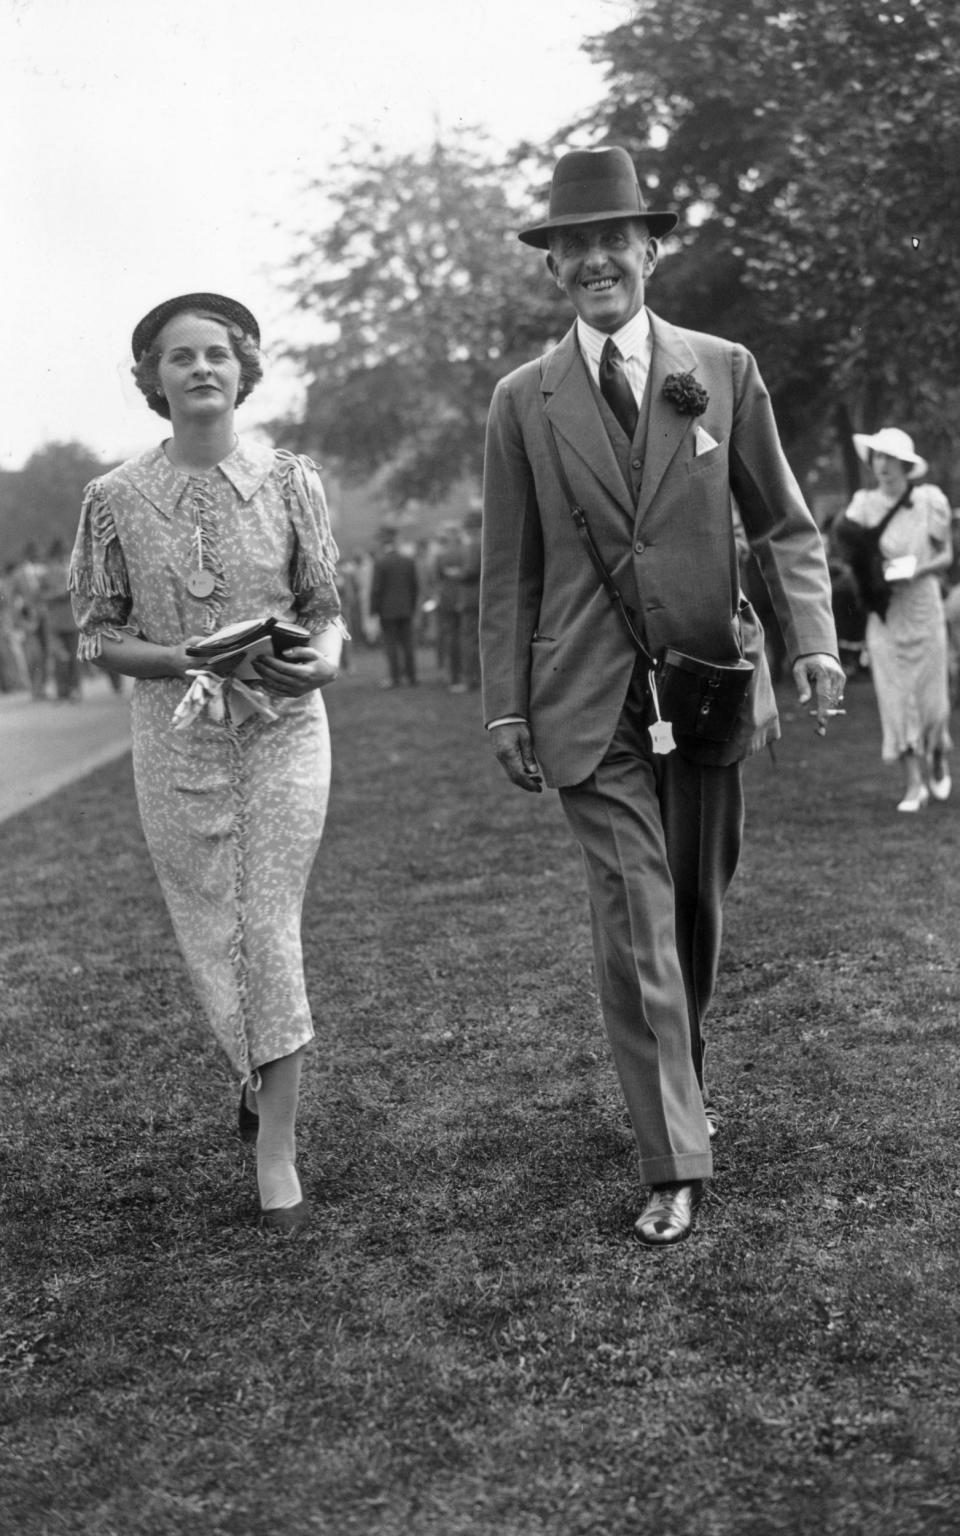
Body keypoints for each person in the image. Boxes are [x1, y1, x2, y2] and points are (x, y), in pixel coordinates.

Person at [480, 147, 844, 1247]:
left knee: (694, 912)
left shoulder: (721, 370)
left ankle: (677, 1083)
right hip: (584, 700)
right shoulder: (522, 402)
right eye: (571, 246)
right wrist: (507, 706)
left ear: (650, 248)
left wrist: (813, 643)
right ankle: (675, 1157)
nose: (594, 260)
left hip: (709, 689)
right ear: (553, 268)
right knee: (638, 923)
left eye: (612, 240)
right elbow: (512, 568)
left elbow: (782, 520)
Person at [69, 291, 345, 1235]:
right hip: (176, 737)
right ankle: (253, 1073)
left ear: (244, 369)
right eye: (177, 356)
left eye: (217, 354)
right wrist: (186, 656)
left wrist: (327, 659)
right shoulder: (113, 499)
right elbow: (98, 636)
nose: (199, 369)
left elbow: (325, 605)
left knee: (266, 926)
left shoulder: (289, 479)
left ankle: (277, 1152)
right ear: (151, 377)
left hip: (283, 730)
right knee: (209, 929)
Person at [836, 427, 952, 811]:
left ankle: (937, 752)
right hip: (885, 614)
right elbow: (847, 548)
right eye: (877, 457)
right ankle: (913, 783)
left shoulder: (928, 500)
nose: (882, 465)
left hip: (922, 607)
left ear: (905, 464)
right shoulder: (863, 504)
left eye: (889, 458)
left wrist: (916, 570)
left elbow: (946, 557)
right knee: (895, 697)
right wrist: (872, 571)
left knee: (933, 701)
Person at [370, 526, 419, 687]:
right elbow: (414, 587)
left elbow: (377, 589)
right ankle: (411, 677)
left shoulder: (381, 562)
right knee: (407, 644)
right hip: (406, 609)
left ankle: (395, 677)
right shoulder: (408, 561)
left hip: (387, 610)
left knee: (391, 645)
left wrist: (374, 610)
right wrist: (411, 606)